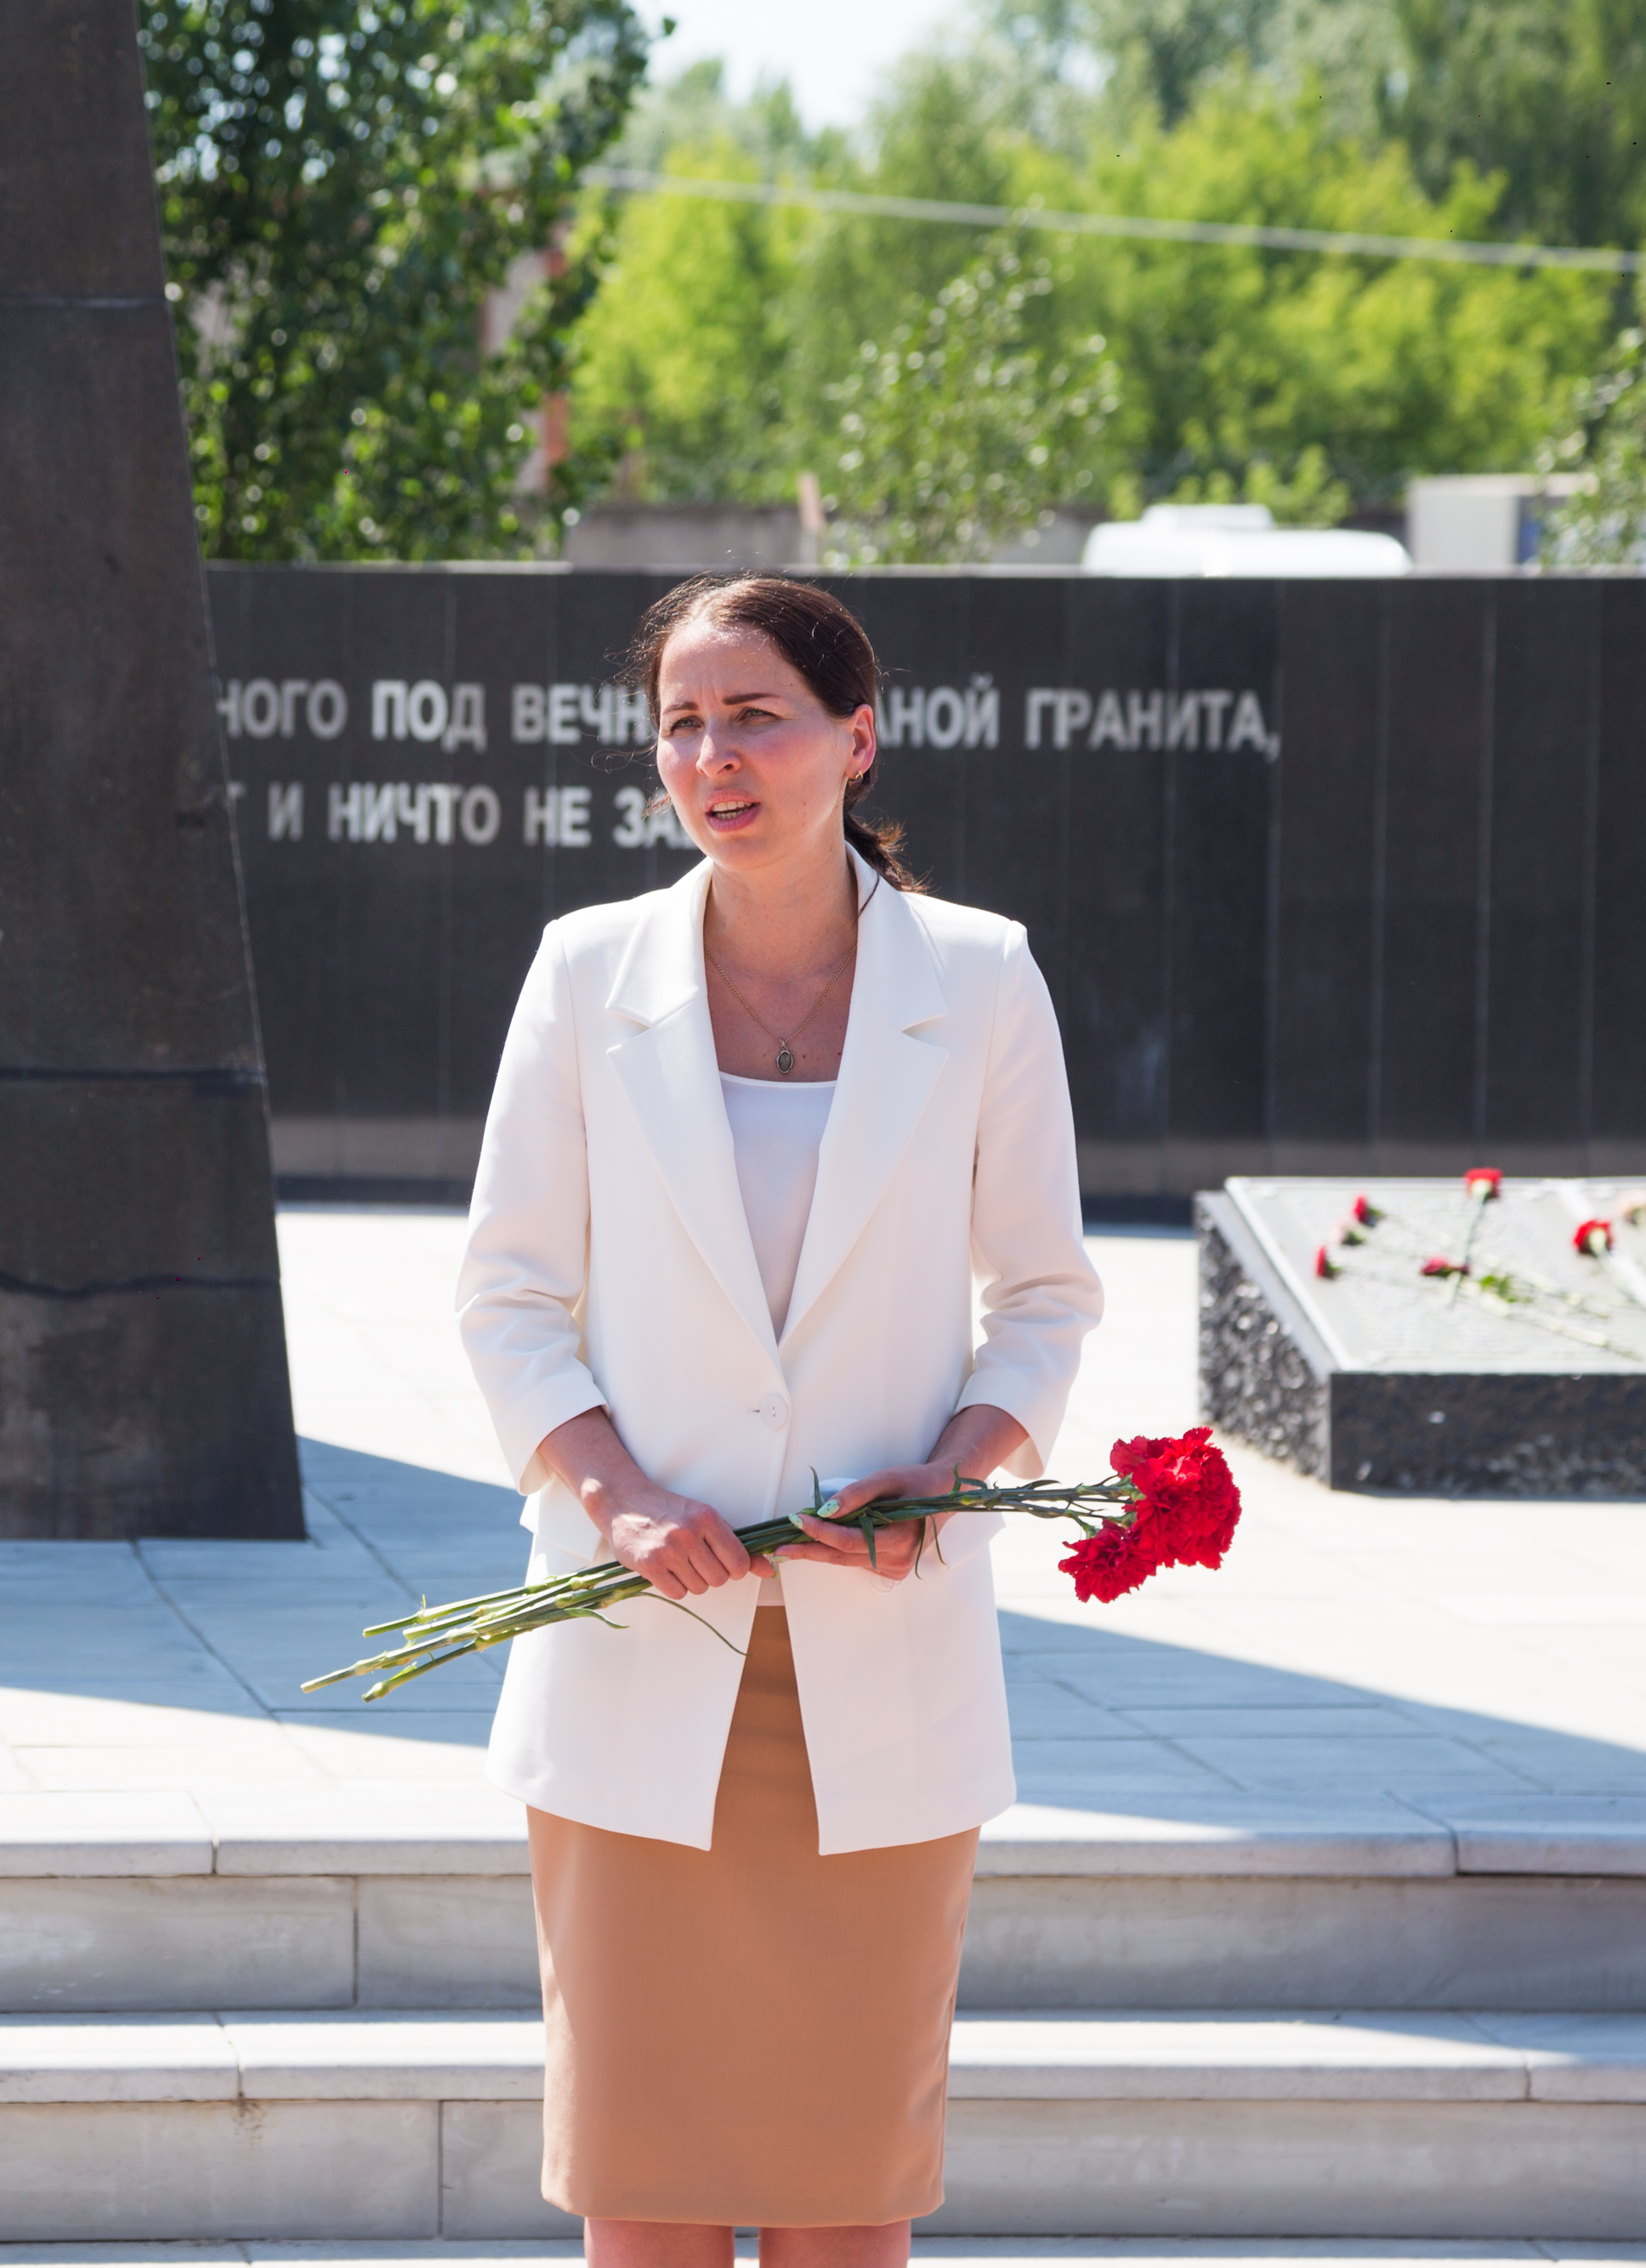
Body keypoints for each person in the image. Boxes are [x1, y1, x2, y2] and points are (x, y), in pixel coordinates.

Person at [457, 575, 1104, 2267]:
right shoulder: (583, 971)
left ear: (856, 738)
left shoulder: (981, 979)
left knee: (846, 2197)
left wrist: (951, 1477)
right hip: (634, 1650)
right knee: (642, 2192)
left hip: (878, 1669)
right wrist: (614, 1496)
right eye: (681, 722)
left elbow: (1043, 1298)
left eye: (754, 716)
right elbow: (506, 1294)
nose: (712, 755)